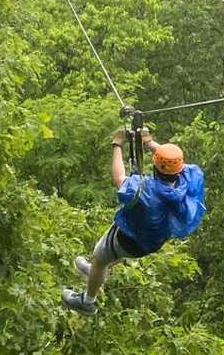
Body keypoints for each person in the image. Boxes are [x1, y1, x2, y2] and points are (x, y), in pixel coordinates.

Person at [61, 128, 206, 315]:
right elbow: (173, 163)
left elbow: (119, 179)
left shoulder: (144, 190)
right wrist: (149, 142)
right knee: (110, 258)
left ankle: (87, 301)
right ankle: (96, 271)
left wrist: (117, 145)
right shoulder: (188, 180)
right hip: (152, 242)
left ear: (155, 166)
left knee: (100, 256)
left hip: (126, 239)